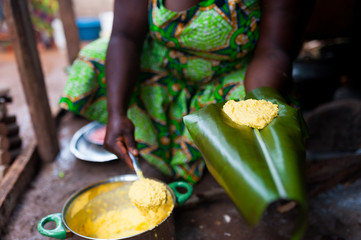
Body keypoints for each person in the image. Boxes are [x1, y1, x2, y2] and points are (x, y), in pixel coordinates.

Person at [59, 0, 314, 184]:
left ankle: (212, 161)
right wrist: (117, 113)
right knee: (94, 60)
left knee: (264, 116)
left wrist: (259, 108)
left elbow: (273, 50)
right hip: (165, 71)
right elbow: (124, 36)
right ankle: (159, 152)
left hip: (234, 74)